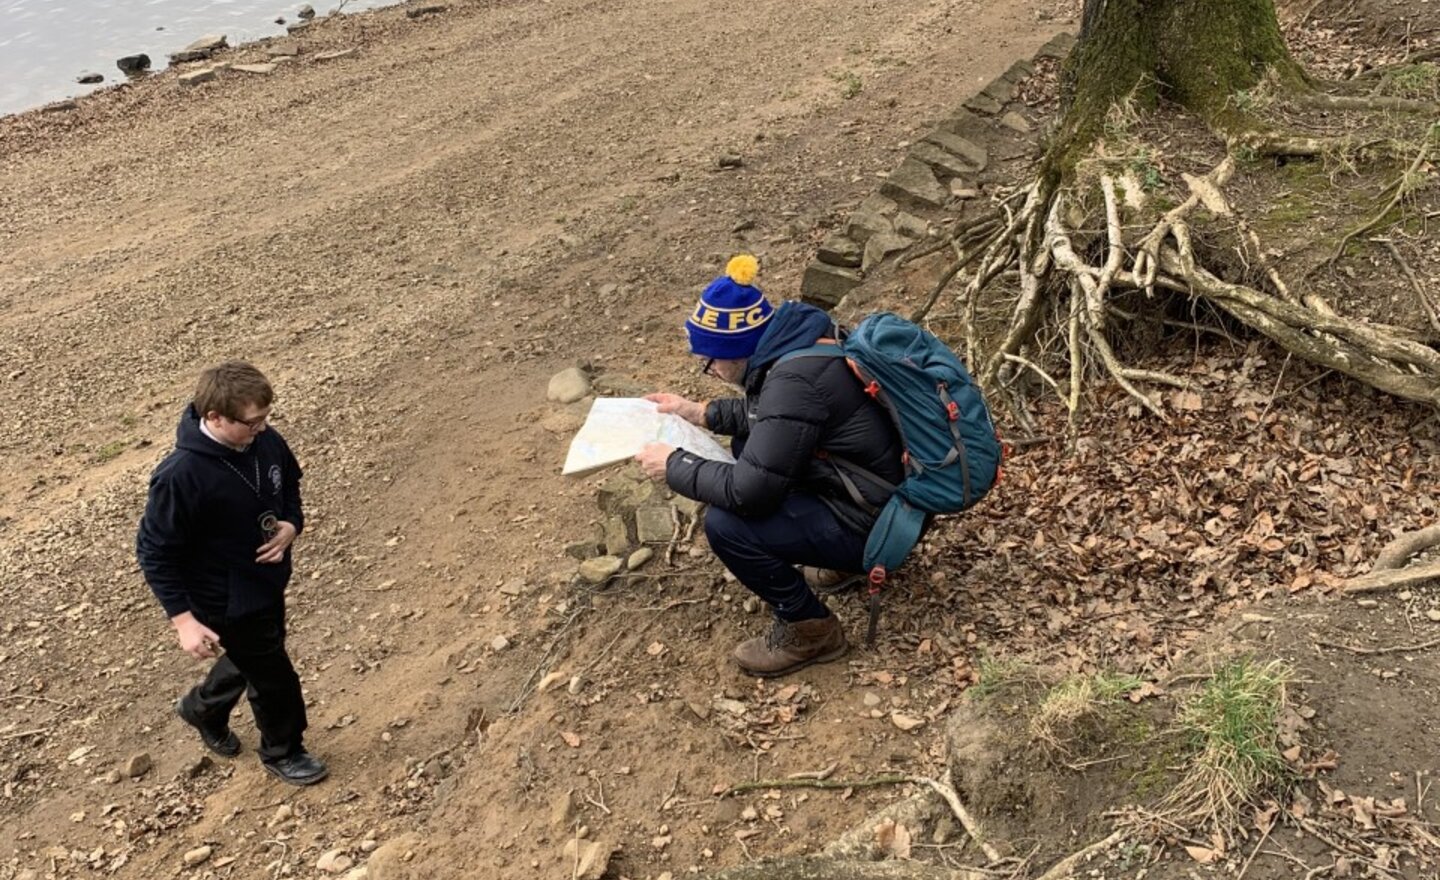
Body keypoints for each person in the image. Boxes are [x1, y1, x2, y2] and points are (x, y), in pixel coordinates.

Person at [636, 256, 903, 677]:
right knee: (748, 444)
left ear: (737, 350)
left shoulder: (793, 383)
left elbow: (748, 492)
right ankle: (840, 562)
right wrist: (699, 412)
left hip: (876, 524)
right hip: (886, 499)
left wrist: (674, 464)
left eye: (711, 361)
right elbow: (776, 420)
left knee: (726, 525)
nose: (711, 371)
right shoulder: (801, 344)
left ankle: (811, 630)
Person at [136, 362, 327, 786]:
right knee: (274, 676)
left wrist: (292, 525)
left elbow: (289, 487)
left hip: (265, 582)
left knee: (256, 654)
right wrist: (184, 622)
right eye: (252, 422)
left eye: (265, 417)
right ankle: (283, 751)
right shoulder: (180, 476)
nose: (263, 428)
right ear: (215, 417)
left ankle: (202, 708)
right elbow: (153, 551)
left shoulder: (265, 440)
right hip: (221, 597)